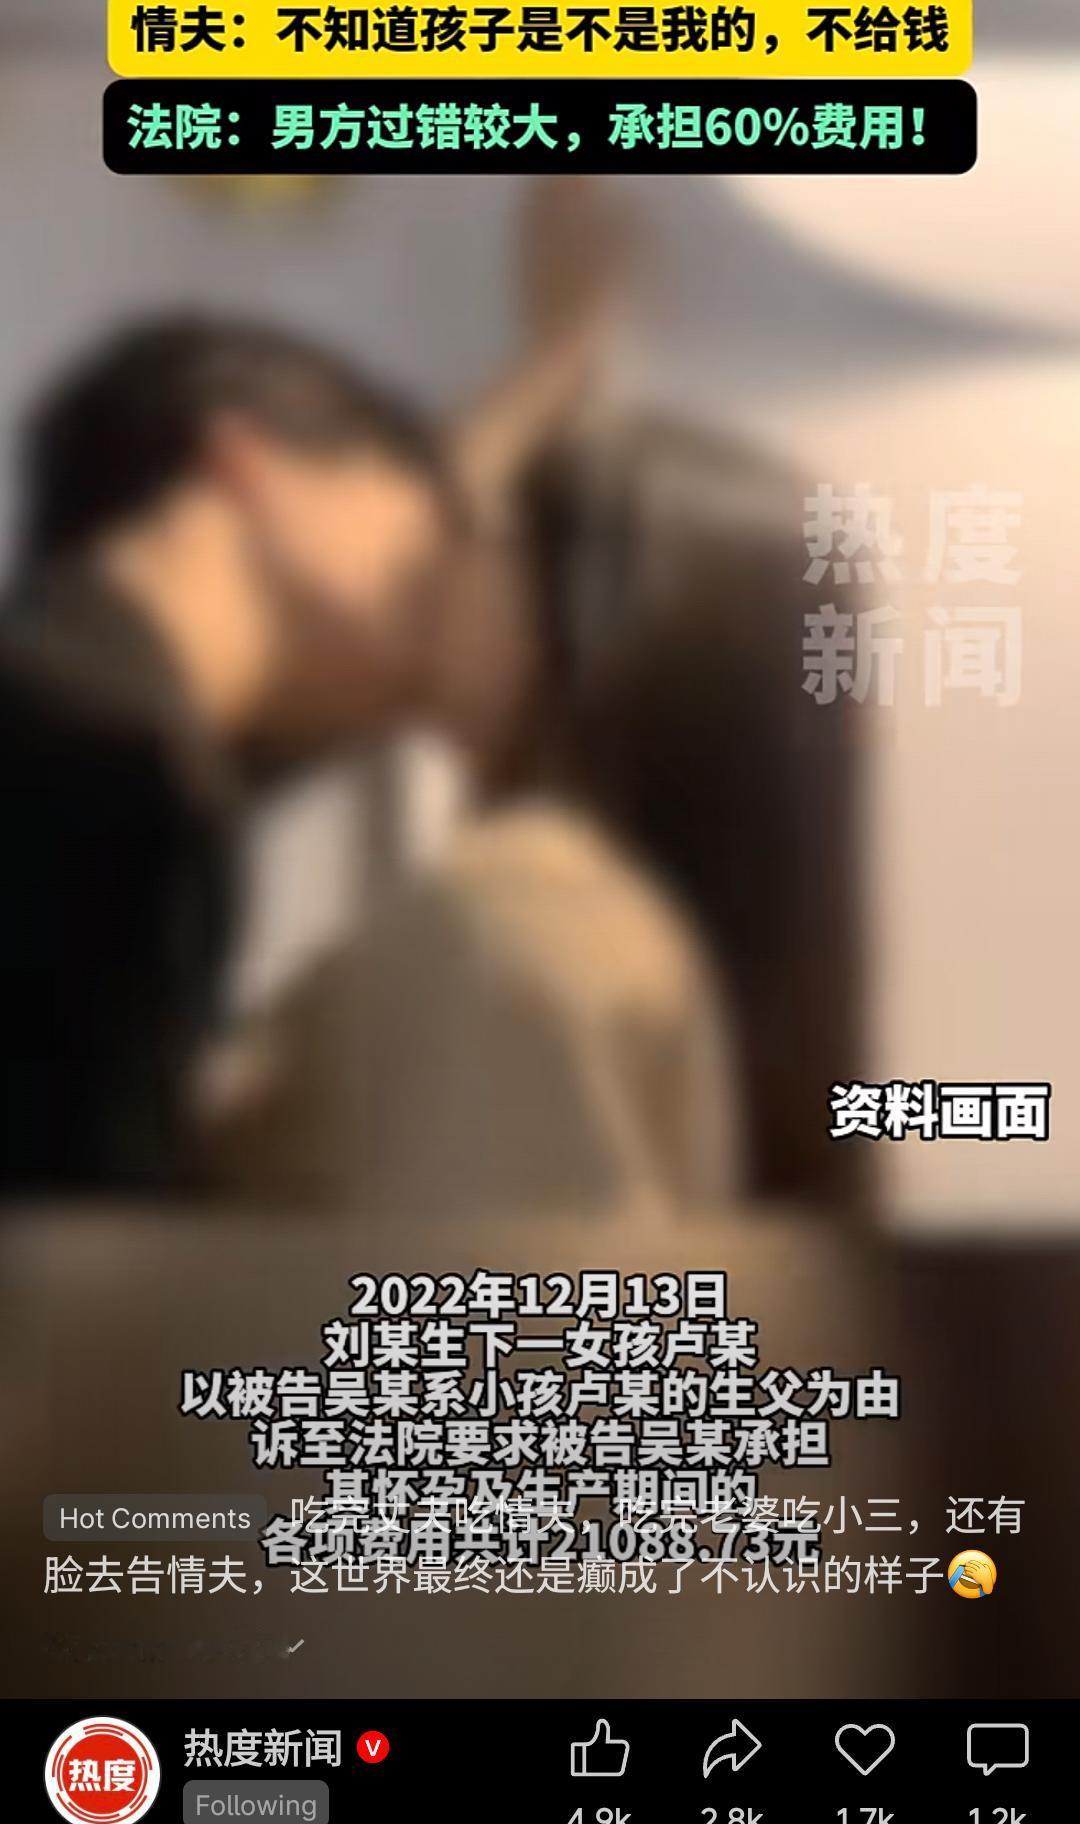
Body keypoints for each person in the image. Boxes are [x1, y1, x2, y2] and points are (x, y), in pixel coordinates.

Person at [221, 408, 863, 1213]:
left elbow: (484, 1283)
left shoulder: (516, 916)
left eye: (489, 537)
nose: (429, 562)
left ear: (587, 610)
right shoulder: (594, 918)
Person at [0, 315, 448, 1192]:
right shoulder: (109, 758)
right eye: (400, 478)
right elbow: (78, 1213)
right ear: (244, 463)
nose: (431, 550)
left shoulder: (75, 696)